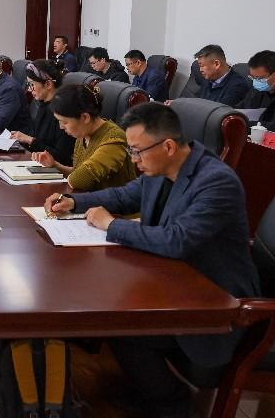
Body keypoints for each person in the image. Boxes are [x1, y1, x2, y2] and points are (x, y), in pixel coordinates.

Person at [44, 103, 259, 418]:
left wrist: (111, 225)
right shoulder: (160, 168)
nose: (133, 160)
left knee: (120, 321)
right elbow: (124, 196)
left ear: (168, 146)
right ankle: (154, 393)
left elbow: (176, 239)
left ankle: (173, 405)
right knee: (113, 311)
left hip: (214, 303)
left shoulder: (217, 182)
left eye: (136, 152)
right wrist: (74, 201)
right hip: (172, 281)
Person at [32, 83, 137, 192]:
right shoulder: (83, 135)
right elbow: (78, 172)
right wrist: (56, 166)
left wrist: (71, 177)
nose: (61, 127)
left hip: (115, 203)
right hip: (90, 199)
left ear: (85, 117)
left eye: (64, 122)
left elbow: (81, 178)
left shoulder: (114, 139)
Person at [11, 60, 75, 166]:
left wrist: (30, 140)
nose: (29, 89)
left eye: (32, 84)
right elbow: (39, 140)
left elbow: (62, 157)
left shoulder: (64, 111)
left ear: (48, 84)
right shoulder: (43, 104)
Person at [236, 50, 275, 133]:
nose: (255, 82)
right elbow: (242, 107)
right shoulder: (259, 87)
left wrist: (242, 124)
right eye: (253, 77)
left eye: (259, 78)